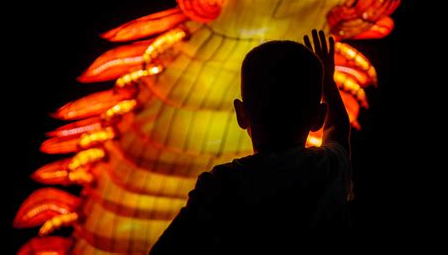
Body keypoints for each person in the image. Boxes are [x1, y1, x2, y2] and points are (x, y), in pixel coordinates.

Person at [150, 30, 352, 254]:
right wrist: (328, 83)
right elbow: (338, 129)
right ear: (318, 117)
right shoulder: (328, 168)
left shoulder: (220, 185)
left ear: (241, 113)